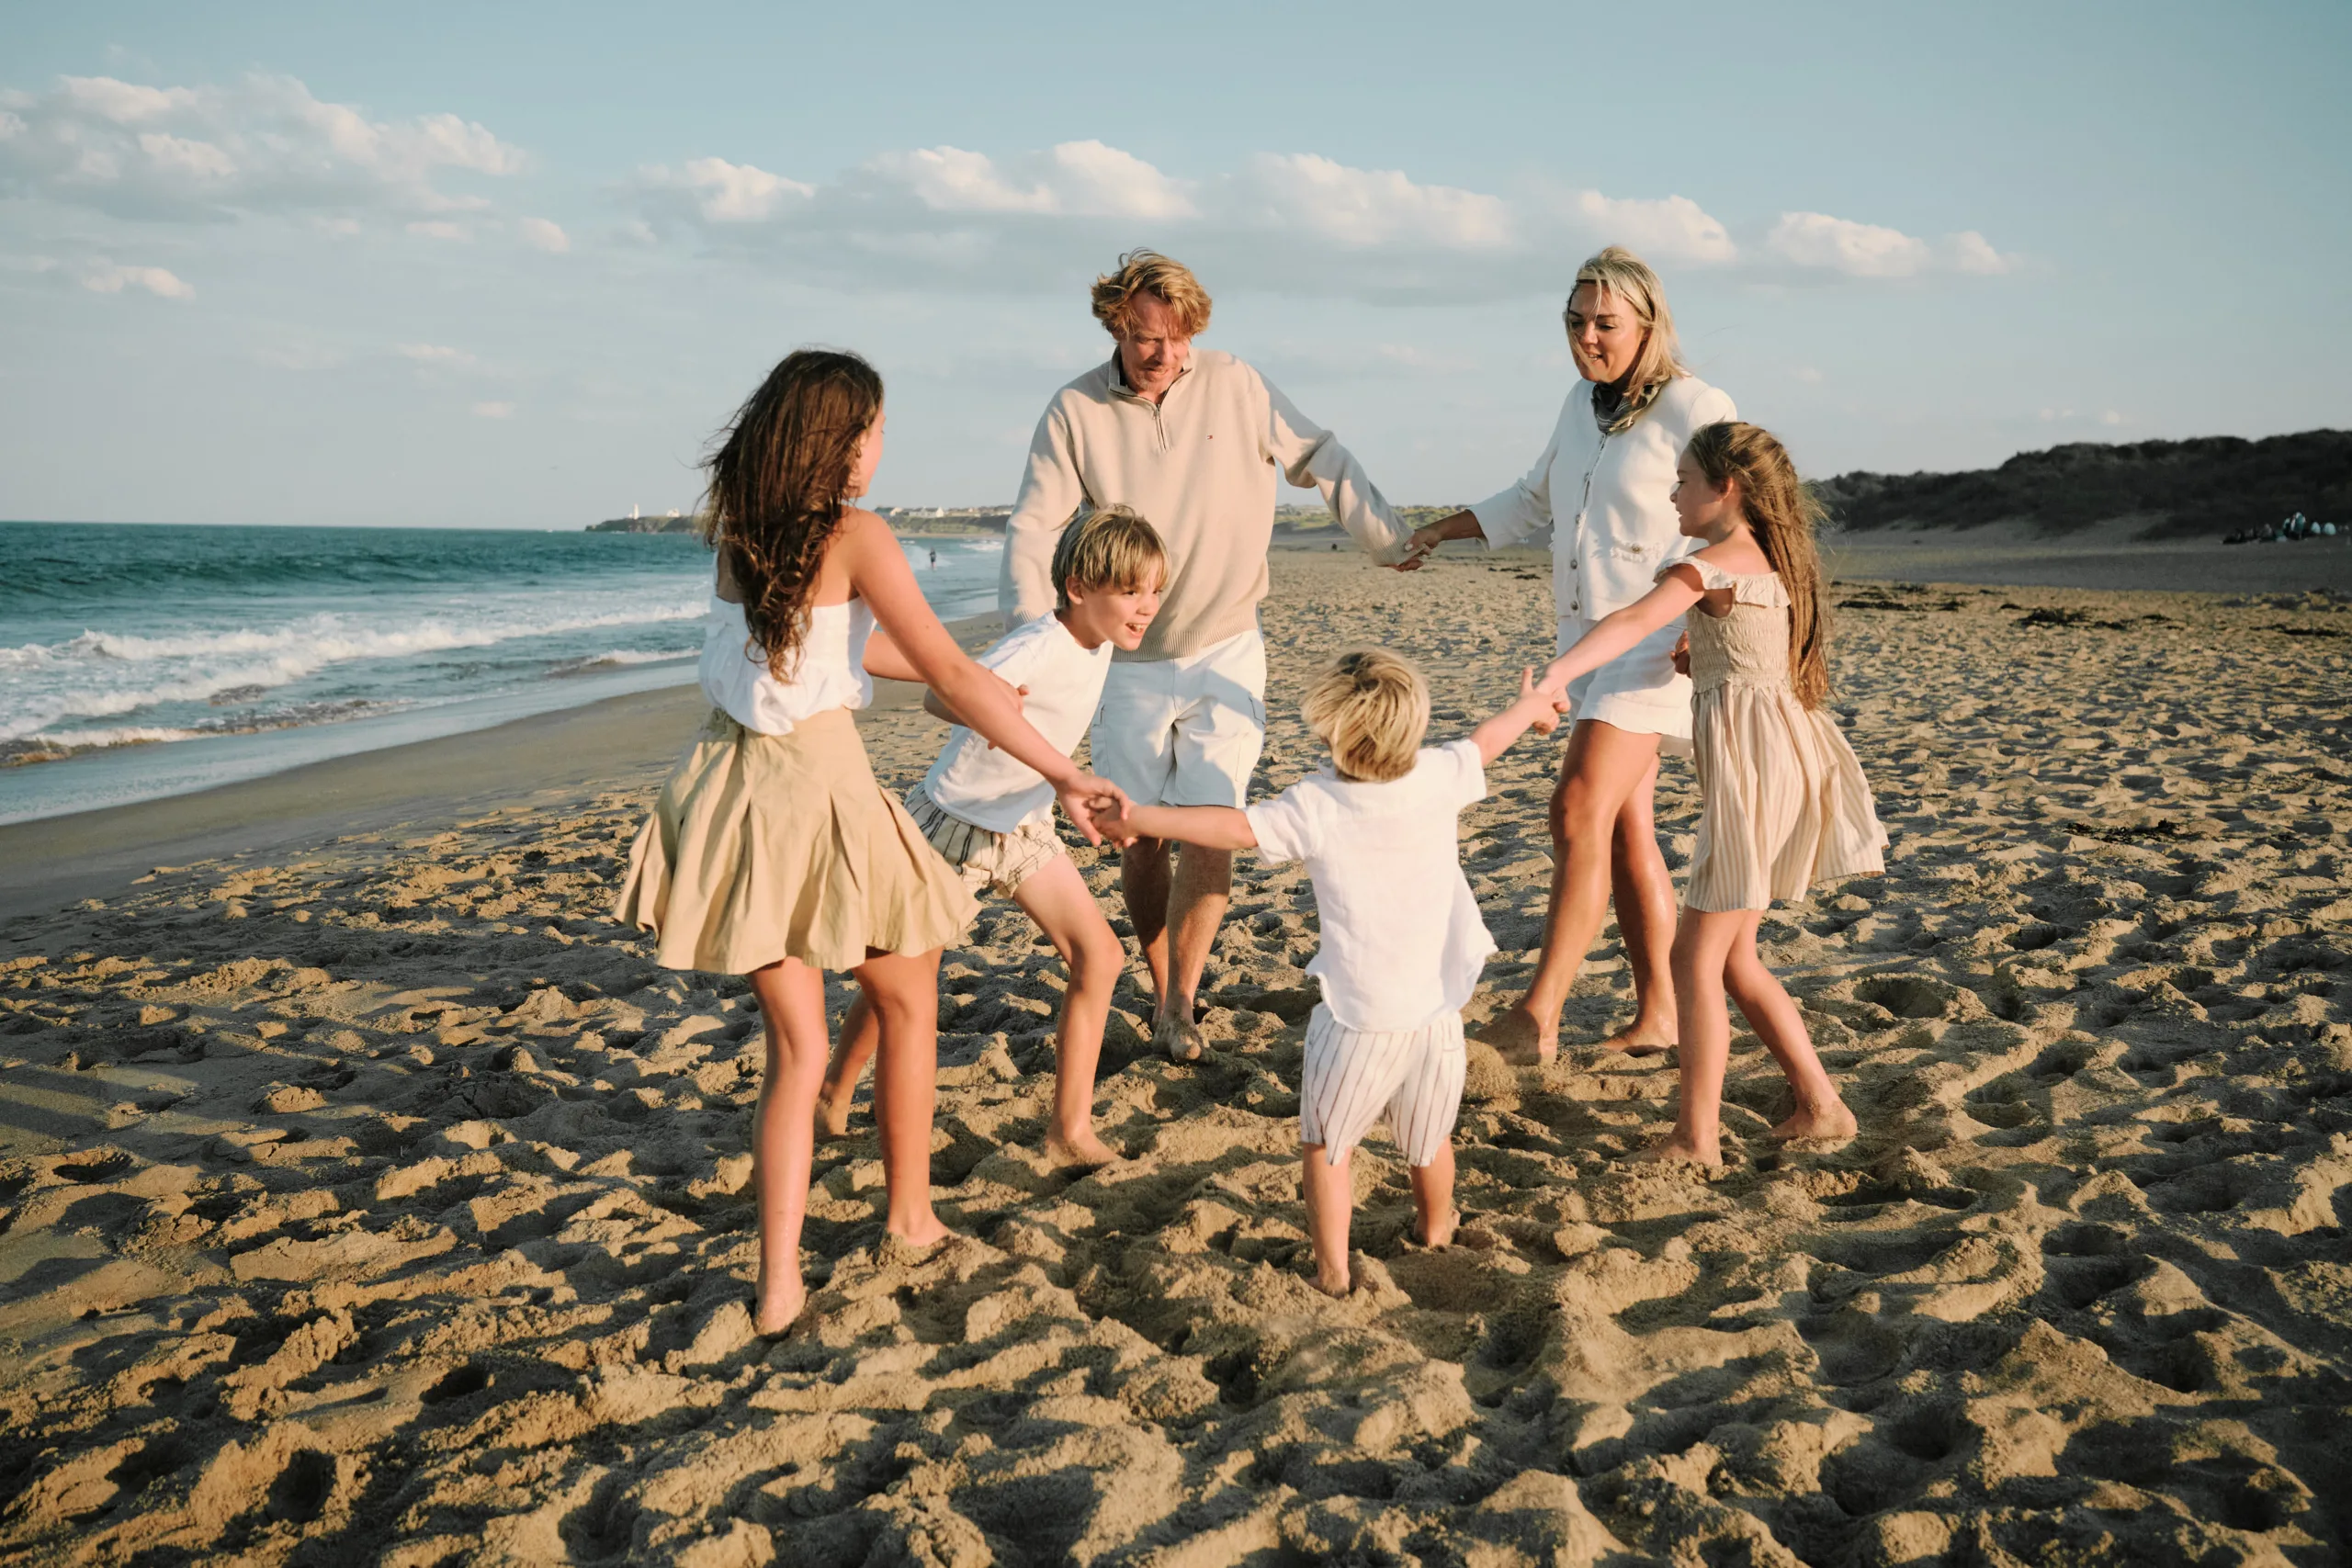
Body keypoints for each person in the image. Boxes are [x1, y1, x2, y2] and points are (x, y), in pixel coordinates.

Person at [613, 349, 1124, 1336]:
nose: (881, 447)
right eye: (876, 428)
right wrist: (1064, 770)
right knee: (907, 996)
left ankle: (778, 1286)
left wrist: (958, 671)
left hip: (729, 791)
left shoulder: (742, 533)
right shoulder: (858, 533)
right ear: (844, 440)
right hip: (821, 788)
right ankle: (910, 1215)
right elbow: (943, 673)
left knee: (797, 1049)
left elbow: (820, 647)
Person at [1001, 249, 1413, 1064]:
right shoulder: (1075, 411)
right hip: (1126, 662)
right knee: (1137, 836)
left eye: (1179, 337)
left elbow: (1318, 453)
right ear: (1115, 325)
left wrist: (1387, 539)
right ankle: (1160, 986)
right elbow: (1033, 528)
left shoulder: (1237, 383)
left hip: (1227, 639)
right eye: (1146, 337)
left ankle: (1182, 999)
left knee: (1213, 829)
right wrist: (1027, 646)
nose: (1165, 354)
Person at [1096, 650, 1563, 1295]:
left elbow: (1229, 827)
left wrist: (1139, 817)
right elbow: (1487, 741)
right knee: (1429, 1141)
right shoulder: (1436, 774)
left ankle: (1335, 1272)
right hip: (1436, 1015)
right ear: (1414, 727)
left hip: (1357, 1019)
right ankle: (1435, 1229)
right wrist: (1532, 707)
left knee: (1327, 1146)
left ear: (1330, 733)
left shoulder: (1317, 803)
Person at [1401, 246, 1735, 1066]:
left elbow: (1744, 514)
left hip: (1656, 644)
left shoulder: (1697, 403)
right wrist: (1441, 530)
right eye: (1576, 321)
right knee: (1624, 831)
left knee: (1576, 806)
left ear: (1648, 324)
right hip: (1582, 643)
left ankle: (1537, 1014)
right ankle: (1661, 1013)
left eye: (1606, 323)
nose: (1588, 336)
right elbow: (1531, 499)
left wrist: (1708, 618)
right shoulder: (1580, 406)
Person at [1535, 422, 1886, 1166]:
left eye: (1685, 480)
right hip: (1783, 761)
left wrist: (1561, 674)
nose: (1672, 493)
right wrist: (1708, 660)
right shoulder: (1769, 561)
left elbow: (1634, 620)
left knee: (1695, 957)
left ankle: (1696, 1138)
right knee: (1734, 958)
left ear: (1725, 488)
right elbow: (1750, 659)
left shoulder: (1712, 564)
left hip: (1755, 776)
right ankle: (1820, 1103)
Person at [819, 506, 1170, 1168]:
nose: (1146, 605)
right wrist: (998, 704)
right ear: (1078, 589)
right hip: (952, 824)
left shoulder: (1099, 642)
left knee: (1100, 959)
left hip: (1023, 826)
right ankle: (834, 1094)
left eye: (1154, 590)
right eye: (1131, 590)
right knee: (899, 984)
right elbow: (939, 697)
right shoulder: (1038, 645)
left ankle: (1069, 1130)